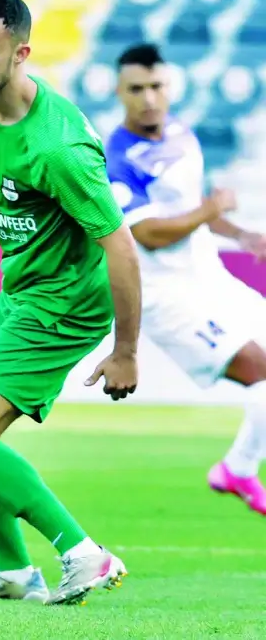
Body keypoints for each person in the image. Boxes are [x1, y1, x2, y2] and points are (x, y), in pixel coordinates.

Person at [0, 0, 140, 606]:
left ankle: (84, 554)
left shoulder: (58, 148)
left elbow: (121, 247)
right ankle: (14, 572)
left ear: (21, 54)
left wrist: (126, 351)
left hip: (65, 305)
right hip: (24, 289)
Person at [106, 43, 266, 516]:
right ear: (119, 92)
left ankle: (238, 467)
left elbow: (192, 209)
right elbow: (147, 234)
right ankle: (238, 468)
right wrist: (211, 209)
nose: (148, 98)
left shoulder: (181, 133)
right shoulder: (118, 158)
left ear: (169, 87)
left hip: (211, 279)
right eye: (137, 89)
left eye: (156, 86)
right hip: (167, 297)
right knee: (260, 369)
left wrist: (239, 233)